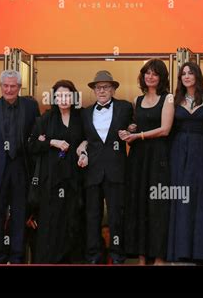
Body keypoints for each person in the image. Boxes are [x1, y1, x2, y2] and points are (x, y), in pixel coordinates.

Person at [0, 70, 40, 264]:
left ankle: (17, 257)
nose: (9, 89)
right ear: (0, 87)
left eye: (13, 86)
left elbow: (37, 136)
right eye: (6, 86)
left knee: (20, 215)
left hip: (22, 168)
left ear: (19, 87)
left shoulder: (30, 107)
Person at [120, 59, 174, 265]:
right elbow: (136, 124)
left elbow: (165, 129)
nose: (150, 77)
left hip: (158, 158)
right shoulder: (137, 99)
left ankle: (159, 259)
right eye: (147, 73)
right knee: (138, 206)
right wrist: (129, 130)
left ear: (161, 78)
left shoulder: (167, 98)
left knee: (157, 207)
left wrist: (138, 136)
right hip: (138, 159)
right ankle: (142, 259)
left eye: (155, 73)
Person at [27, 80, 85, 263]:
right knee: (52, 222)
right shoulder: (45, 118)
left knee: (73, 220)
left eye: (67, 95)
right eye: (59, 95)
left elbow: (89, 138)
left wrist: (83, 148)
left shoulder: (81, 117)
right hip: (51, 180)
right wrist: (52, 142)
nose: (63, 99)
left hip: (76, 178)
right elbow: (32, 145)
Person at [78, 70, 132, 264]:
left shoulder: (125, 108)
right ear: (93, 90)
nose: (101, 90)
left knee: (117, 215)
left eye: (106, 87)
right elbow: (82, 140)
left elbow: (135, 126)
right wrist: (82, 152)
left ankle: (117, 255)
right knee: (93, 216)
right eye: (98, 87)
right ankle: (94, 255)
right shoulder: (84, 113)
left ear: (113, 90)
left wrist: (132, 129)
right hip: (92, 171)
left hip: (116, 170)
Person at [166, 62, 203, 263]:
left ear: (197, 75)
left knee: (202, 198)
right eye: (183, 74)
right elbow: (165, 127)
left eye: (190, 73)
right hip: (178, 152)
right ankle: (181, 251)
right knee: (182, 198)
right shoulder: (174, 98)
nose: (187, 76)